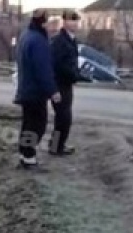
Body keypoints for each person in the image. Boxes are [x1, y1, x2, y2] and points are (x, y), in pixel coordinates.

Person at [14, 9, 61, 170]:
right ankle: (29, 157)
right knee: (37, 125)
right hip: (35, 91)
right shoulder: (39, 41)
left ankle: (24, 156)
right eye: (51, 23)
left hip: (26, 88)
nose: (53, 27)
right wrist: (53, 91)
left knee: (27, 124)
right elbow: (43, 69)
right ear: (43, 23)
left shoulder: (26, 36)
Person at [49, 10, 92, 155]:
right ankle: (56, 147)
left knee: (64, 118)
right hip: (59, 83)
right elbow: (58, 64)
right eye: (71, 20)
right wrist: (75, 75)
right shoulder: (59, 41)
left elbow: (71, 62)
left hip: (66, 83)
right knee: (63, 118)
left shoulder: (71, 39)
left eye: (76, 20)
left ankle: (57, 145)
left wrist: (78, 75)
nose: (74, 23)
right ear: (65, 22)